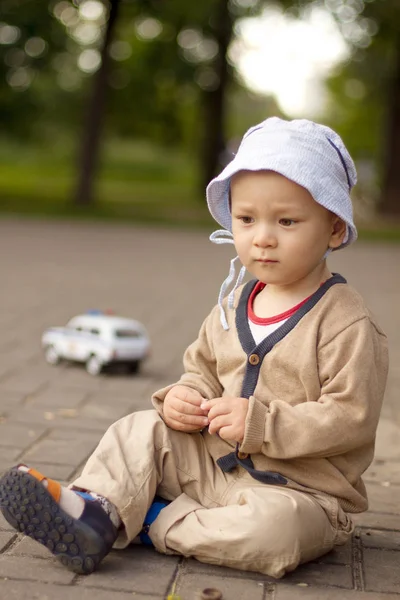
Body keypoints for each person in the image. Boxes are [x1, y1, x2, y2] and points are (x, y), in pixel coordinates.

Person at [0, 117, 389, 579]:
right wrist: (183, 397)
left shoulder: (346, 321)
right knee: (138, 430)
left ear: (335, 229)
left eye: (286, 220)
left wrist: (261, 423)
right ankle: (95, 506)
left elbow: (352, 417)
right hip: (213, 466)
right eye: (246, 219)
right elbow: (200, 370)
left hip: (301, 493)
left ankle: (151, 521)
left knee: (275, 534)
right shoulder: (231, 304)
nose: (262, 236)